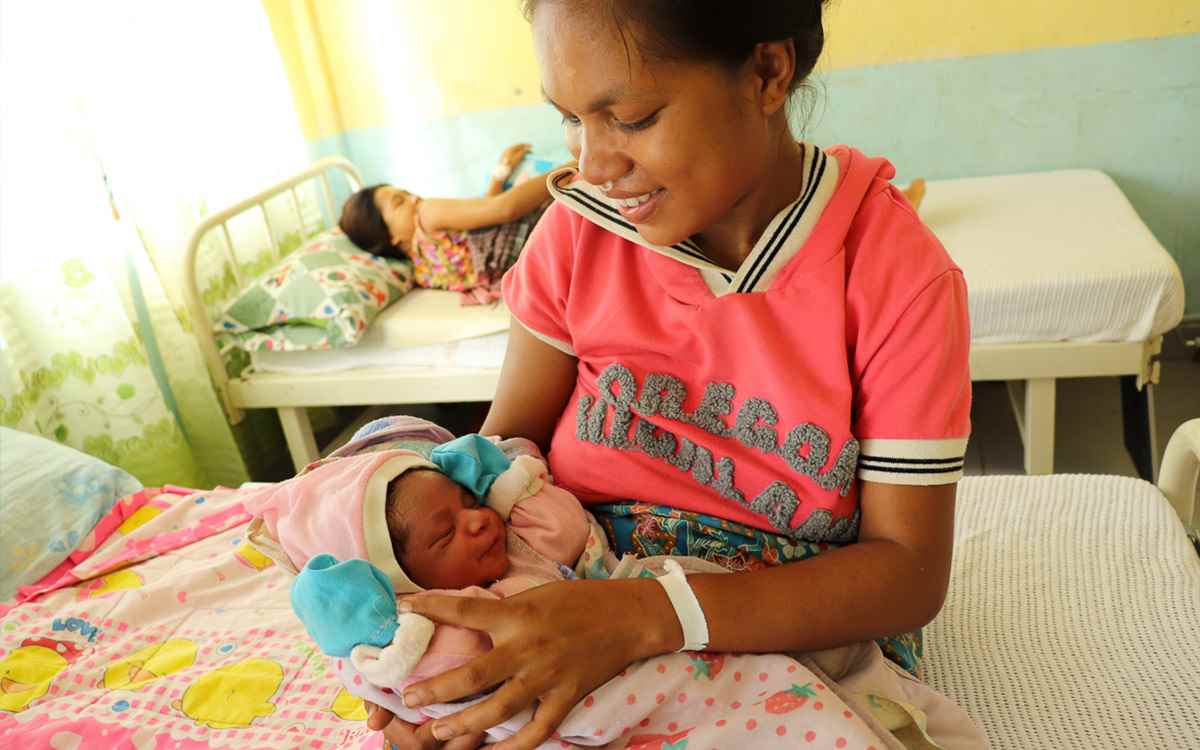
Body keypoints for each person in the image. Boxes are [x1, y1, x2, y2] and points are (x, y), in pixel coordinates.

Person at [367, 2, 980, 749]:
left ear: (766, 71)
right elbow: (504, 453)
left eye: (629, 117)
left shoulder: (895, 276)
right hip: (573, 580)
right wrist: (436, 645)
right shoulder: (577, 234)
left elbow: (908, 574)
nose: (591, 165)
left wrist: (647, 615)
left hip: (792, 618)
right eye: (570, 119)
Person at [338, 144, 574, 304]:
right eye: (399, 202)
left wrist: (500, 174)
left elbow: (486, 214)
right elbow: (503, 209)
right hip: (541, 231)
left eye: (406, 192)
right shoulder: (426, 214)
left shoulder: (423, 272)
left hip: (538, 253)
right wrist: (571, 168)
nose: (414, 199)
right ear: (389, 236)